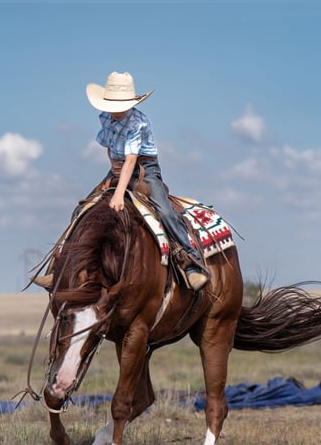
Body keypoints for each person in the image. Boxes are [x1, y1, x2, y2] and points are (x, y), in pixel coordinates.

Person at [32, 71, 208, 291]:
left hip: (144, 168)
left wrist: (118, 193)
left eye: (120, 105)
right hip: (116, 167)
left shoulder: (137, 123)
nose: (115, 110)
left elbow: (131, 160)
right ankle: (59, 267)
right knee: (81, 210)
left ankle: (191, 263)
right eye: (112, 105)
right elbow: (110, 149)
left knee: (164, 211)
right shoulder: (105, 117)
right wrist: (111, 176)